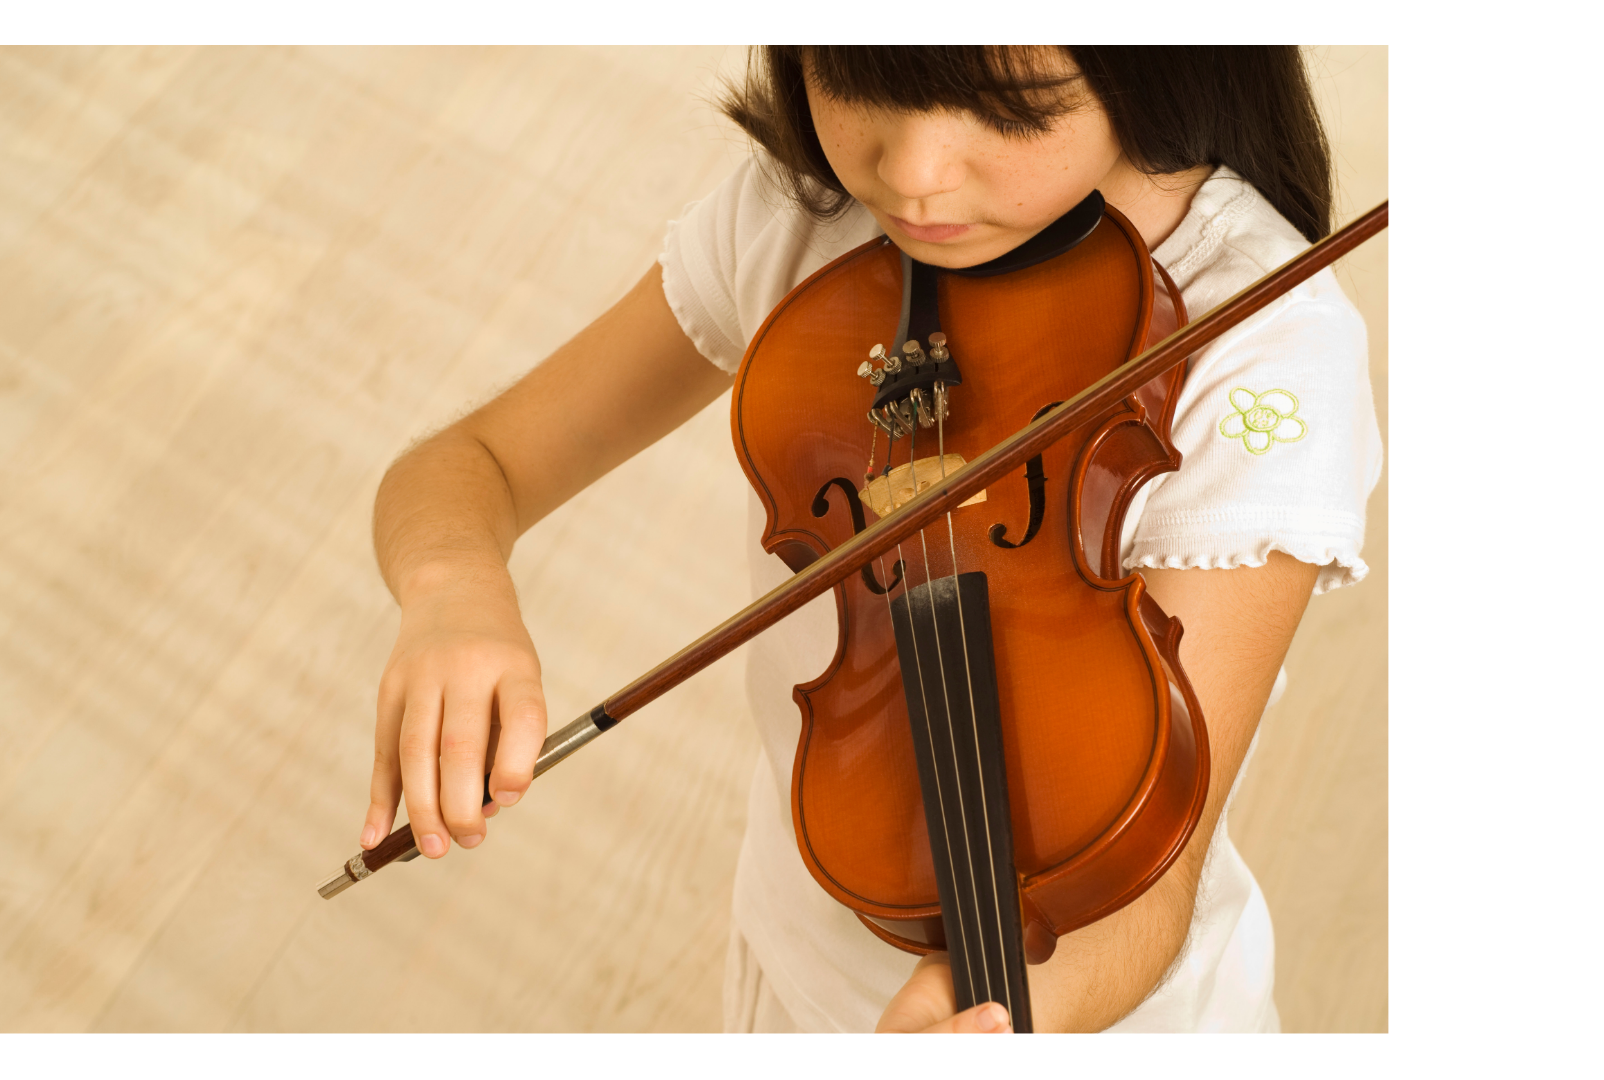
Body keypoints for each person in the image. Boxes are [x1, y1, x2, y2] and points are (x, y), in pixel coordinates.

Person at [358, 46, 1381, 1033]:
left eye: (1015, 100)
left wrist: (1005, 1020)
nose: (916, 176)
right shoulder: (806, 215)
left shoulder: (1267, 355)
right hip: (791, 941)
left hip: (1090, 1023)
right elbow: (474, 462)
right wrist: (454, 585)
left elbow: (1146, 893)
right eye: (856, 76)